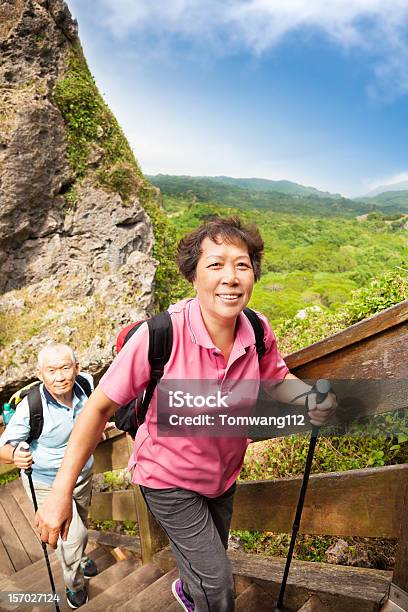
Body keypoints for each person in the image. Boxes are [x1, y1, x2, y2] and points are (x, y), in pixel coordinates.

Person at [35, 218, 337, 612]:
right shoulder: (160, 336)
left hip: (223, 474)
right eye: (215, 265)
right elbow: (98, 408)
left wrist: (312, 396)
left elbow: (276, 378)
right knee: (218, 585)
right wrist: (60, 492)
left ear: (254, 275)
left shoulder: (256, 330)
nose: (230, 277)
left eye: (241, 265)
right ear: (192, 275)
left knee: (208, 560)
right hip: (167, 479)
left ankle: (188, 592)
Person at [0, 343, 98, 609]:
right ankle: (74, 583)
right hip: (47, 482)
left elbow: (97, 413)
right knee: (73, 536)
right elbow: (3, 447)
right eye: (51, 370)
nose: (59, 376)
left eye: (66, 368)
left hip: (82, 474)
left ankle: (81, 557)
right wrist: (15, 456)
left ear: (77, 368)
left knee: (83, 521)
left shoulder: (86, 385)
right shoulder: (31, 407)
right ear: (40, 374)